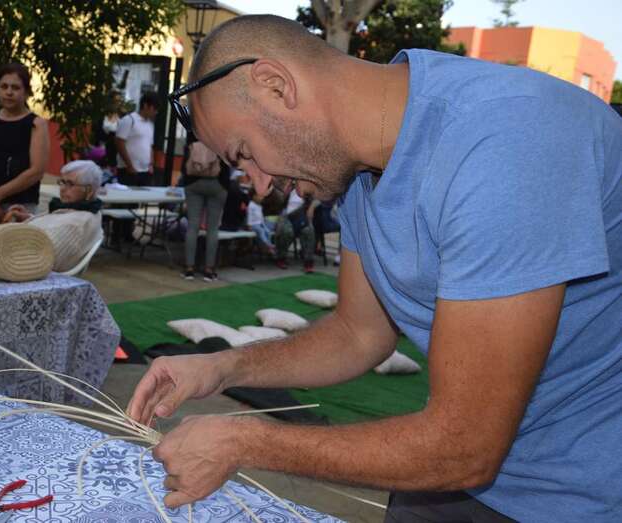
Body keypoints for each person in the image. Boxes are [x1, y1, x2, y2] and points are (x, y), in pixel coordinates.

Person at [127, 15, 622, 522]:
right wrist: (222, 365)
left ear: (276, 86)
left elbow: (466, 447)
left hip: (577, 493)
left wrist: (245, 440)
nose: (256, 186)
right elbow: (358, 333)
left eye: (246, 154)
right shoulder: (359, 173)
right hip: (453, 479)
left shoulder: (506, 142)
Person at [0, 62, 50, 222]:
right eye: (4, 87)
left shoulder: (36, 124)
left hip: (20, 207)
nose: (9, 92)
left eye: (15, 87)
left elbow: (36, 171)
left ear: (26, 92)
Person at [181, 136, 229, 281]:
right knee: (212, 229)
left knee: (192, 227)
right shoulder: (221, 139)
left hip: (193, 183)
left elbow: (185, 166)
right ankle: (209, 270)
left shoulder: (192, 138)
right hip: (217, 184)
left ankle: (189, 269)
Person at [3, 160, 103, 223]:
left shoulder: (77, 220)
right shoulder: (76, 209)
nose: (62, 188)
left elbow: (47, 239)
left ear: (89, 190)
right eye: (62, 182)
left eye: (70, 184)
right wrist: (27, 217)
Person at [115, 92, 158, 187]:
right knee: (127, 200)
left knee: (143, 199)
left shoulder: (150, 125)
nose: (155, 112)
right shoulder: (129, 120)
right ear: (146, 105)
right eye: (154, 109)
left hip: (145, 171)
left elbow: (150, 146)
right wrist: (129, 165)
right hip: (128, 170)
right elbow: (119, 143)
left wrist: (151, 165)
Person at [273, 184, 316, 273]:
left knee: (309, 231)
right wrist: (284, 192)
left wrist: (312, 206)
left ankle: (308, 261)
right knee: (286, 231)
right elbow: (277, 199)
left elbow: (320, 198)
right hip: (286, 215)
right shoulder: (288, 184)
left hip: (302, 216)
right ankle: (281, 257)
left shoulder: (309, 186)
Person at [246, 190, 275, 257]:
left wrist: (264, 224)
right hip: (253, 224)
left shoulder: (259, 206)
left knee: (268, 231)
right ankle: (269, 245)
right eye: (259, 196)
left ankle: (269, 246)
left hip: (260, 223)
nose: (261, 198)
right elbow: (249, 215)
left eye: (262, 197)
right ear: (254, 196)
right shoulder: (251, 205)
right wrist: (249, 225)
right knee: (261, 231)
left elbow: (261, 217)